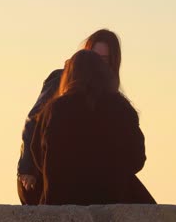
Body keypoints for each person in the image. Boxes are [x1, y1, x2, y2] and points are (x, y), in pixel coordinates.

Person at [31, 50, 154, 205]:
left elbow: (37, 154)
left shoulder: (55, 109)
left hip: (60, 201)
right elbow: (137, 158)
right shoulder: (122, 108)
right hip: (113, 199)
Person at [17, 29, 123, 205]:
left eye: (103, 59)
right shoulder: (61, 79)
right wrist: (27, 168)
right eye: (94, 56)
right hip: (41, 175)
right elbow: (34, 119)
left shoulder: (109, 94)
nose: (97, 63)